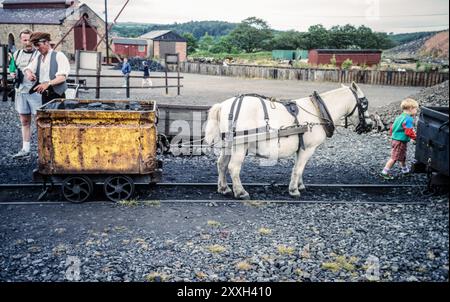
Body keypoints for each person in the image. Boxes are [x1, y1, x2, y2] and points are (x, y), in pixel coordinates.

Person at [9, 29, 40, 159]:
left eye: (29, 40)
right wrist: (12, 73)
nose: (27, 42)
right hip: (20, 91)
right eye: (25, 40)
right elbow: (12, 67)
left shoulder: (39, 54)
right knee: (24, 120)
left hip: (36, 92)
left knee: (40, 120)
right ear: (21, 40)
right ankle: (25, 149)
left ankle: (43, 149)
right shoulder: (16, 54)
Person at [23, 32, 70, 104]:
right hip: (43, 95)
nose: (37, 48)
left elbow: (62, 77)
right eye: (35, 46)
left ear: (46, 42)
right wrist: (29, 74)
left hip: (57, 95)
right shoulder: (39, 57)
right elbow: (28, 68)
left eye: (38, 45)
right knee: (44, 115)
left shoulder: (59, 56)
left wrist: (47, 84)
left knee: (56, 115)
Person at [380, 98, 419, 179]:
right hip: (400, 141)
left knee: (402, 156)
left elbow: (392, 127)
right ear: (411, 108)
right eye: (416, 109)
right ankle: (384, 172)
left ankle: (405, 170)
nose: (417, 111)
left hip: (395, 140)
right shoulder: (408, 119)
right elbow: (408, 132)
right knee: (394, 158)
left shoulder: (400, 116)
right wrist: (416, 138)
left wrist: (393, 135)